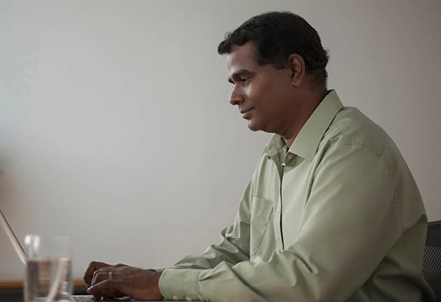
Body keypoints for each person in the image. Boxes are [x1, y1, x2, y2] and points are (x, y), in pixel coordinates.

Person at [84, 11, 436, 301]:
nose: (234, 97)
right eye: (233, 83)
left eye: (244, 78)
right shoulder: (276, 155)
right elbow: (236, 251)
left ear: (295, 70)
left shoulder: (355, 152)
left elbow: (308, 282)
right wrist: (152, 280)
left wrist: (162, 286)